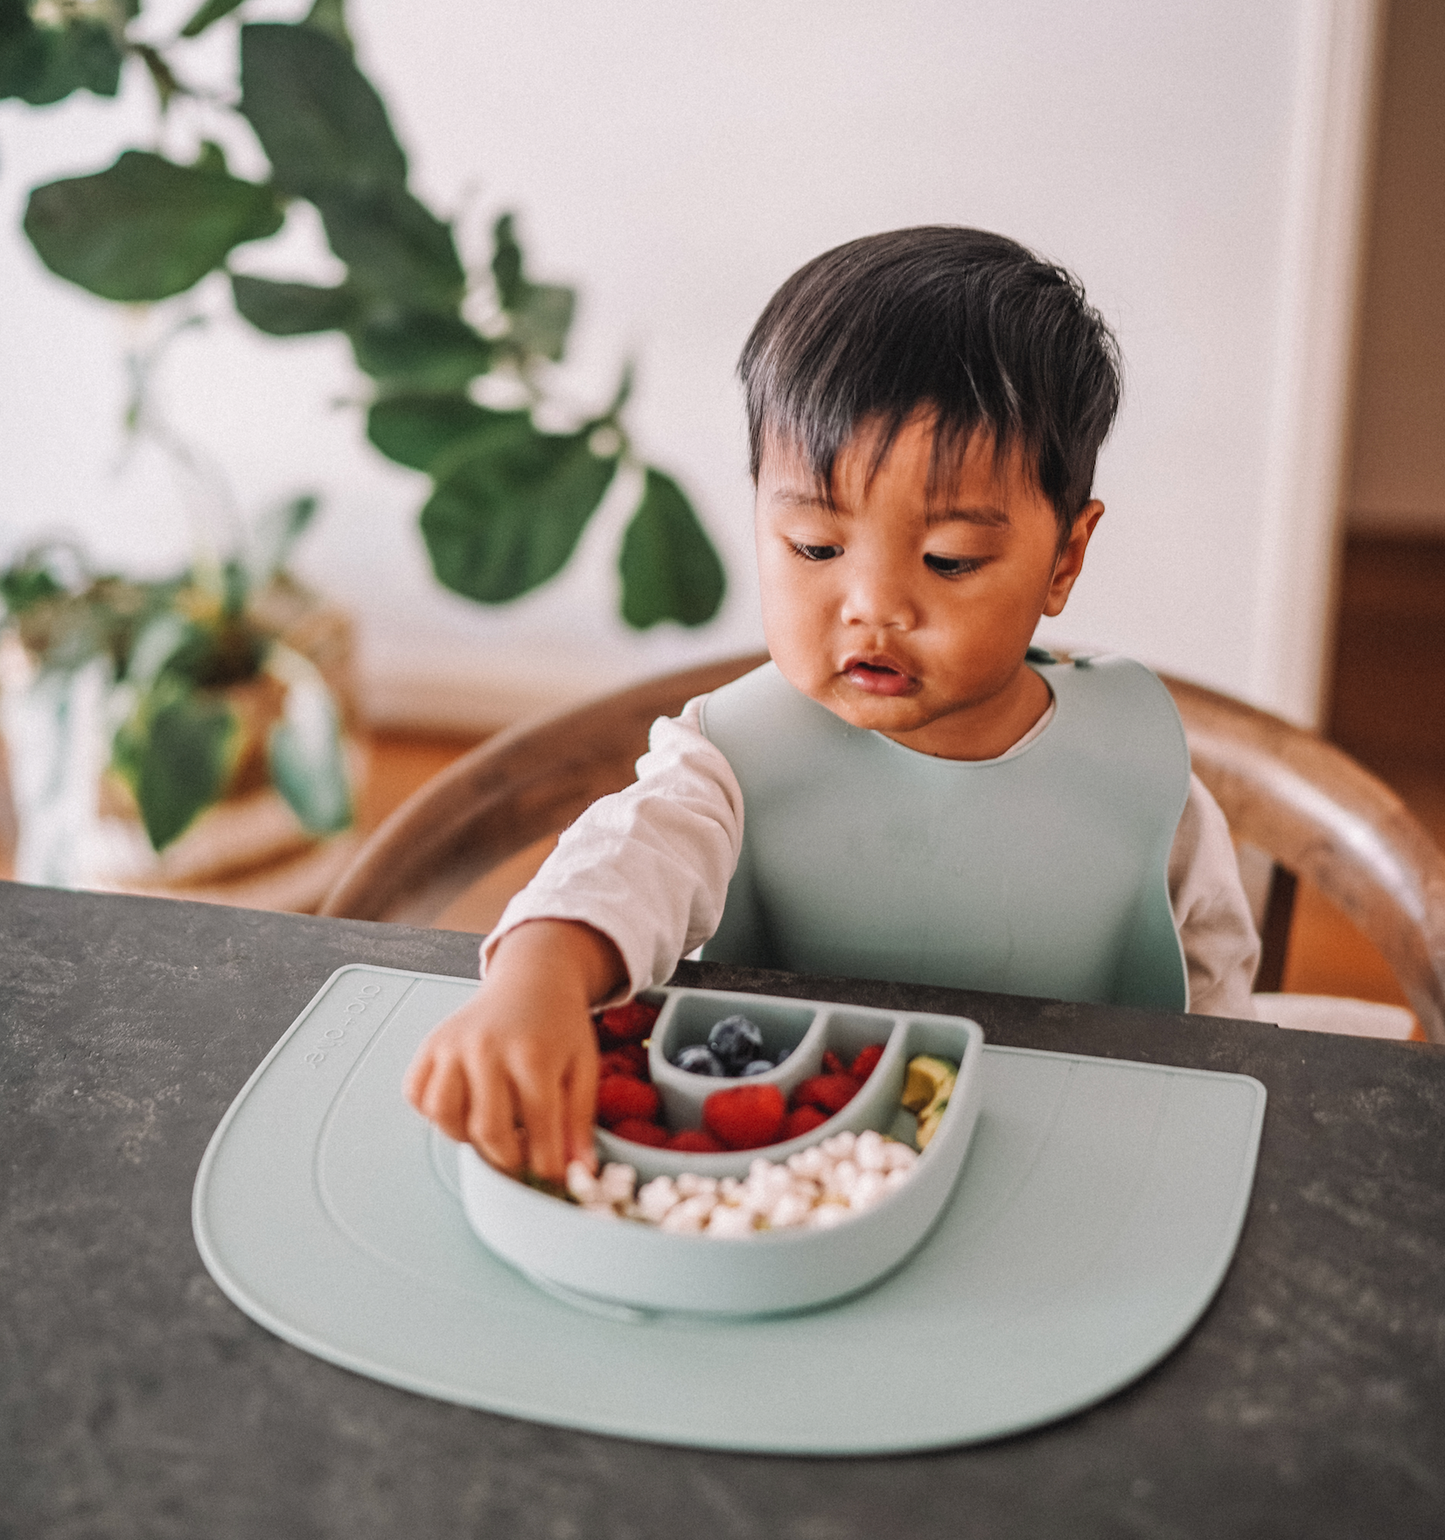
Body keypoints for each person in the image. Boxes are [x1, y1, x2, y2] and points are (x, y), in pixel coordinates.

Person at [405, 226, 1260, 1181]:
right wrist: (540, 976)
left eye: (949, 562)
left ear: (1063, 558)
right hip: (783, 1170)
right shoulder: (727, 759)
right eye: (815, 545)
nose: (875, 607)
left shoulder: (1134, 767)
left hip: (1070, 1163)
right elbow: (629, 858)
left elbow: (1216, 985)